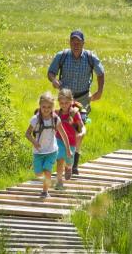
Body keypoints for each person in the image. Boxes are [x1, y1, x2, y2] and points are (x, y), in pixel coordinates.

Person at [47, 30, 104, 174]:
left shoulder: (90, 57)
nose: (76, 44)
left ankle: (74, 164)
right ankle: (65, 160)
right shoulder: (62, 56)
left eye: (78, 42)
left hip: (83, 99)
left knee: (79, 130)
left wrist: (99, 91)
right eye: (73, 41)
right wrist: (54, 80)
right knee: (65, 129)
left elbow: (101, 73)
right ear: (70, 42)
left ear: (83, 43)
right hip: (65, 100)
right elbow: (50, 72)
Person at [25, 91, 71, 198]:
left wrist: (68, 150)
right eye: (44, 106)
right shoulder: (35, 119)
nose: (46, 109)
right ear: (40, 106)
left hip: (52, 151)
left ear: (53, 107)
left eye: (49, 107)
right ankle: (39, 174)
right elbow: (27, 134)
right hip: (38, 152)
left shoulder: (55, 119)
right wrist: (34, 142)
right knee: (38, 174)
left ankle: (45, 192)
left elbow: (64, 135)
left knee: (47, 170)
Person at [55, 88, 86, 187]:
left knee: (69, 161)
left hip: (72, 142)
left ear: (71, 101)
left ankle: (68, 167)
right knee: (59, 159)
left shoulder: (74, 113)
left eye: (66, 103)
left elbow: (82, 126)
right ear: (59, 102)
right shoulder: (57, 113)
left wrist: (82, 133)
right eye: (62, 103)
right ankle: (59, 181)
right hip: (59, 139)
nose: (64, 105)